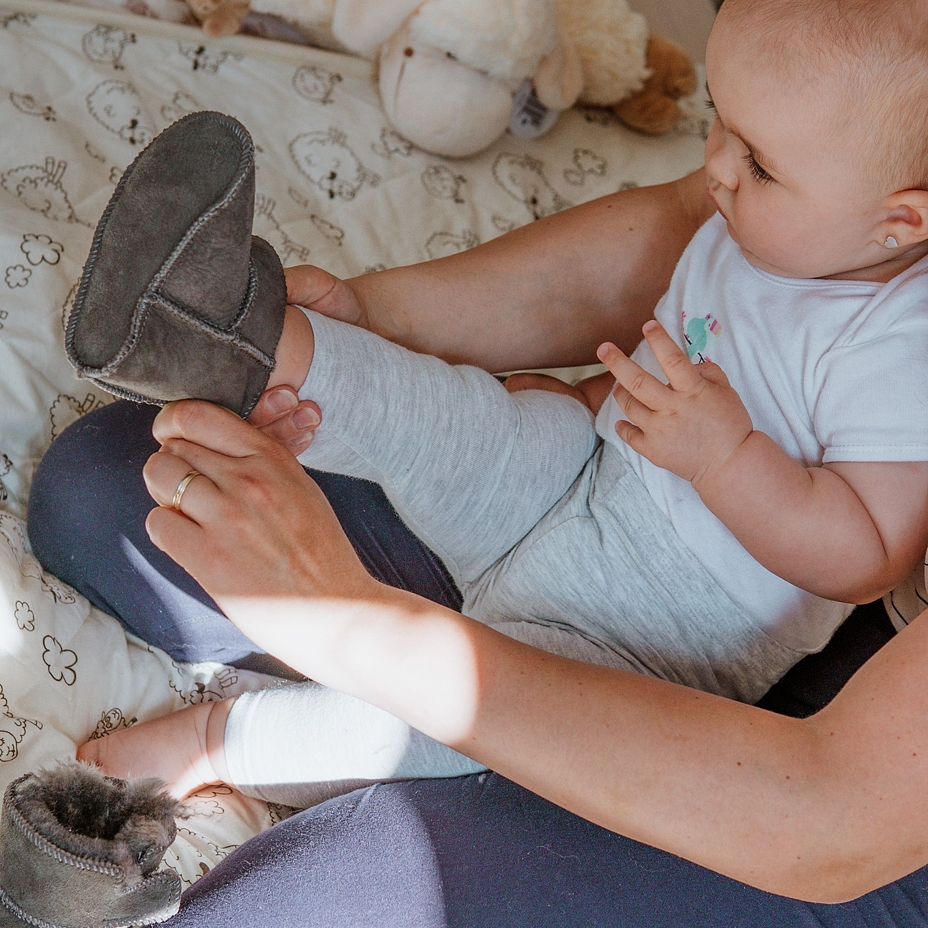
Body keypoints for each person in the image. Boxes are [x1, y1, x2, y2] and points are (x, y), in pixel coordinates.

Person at [23, 0, 928, 922]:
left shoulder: (902, 345)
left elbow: (864, 554)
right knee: (407, 433)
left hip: (656, 620)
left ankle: (225, 740)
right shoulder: (796, 207)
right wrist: (379, 317)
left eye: (758, 162)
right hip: (591, 469)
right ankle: (243, 340)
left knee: (429, 737)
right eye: (718, 125)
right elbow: (668, 236)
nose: (717, 169)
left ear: (900, 222)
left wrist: (727, 457)